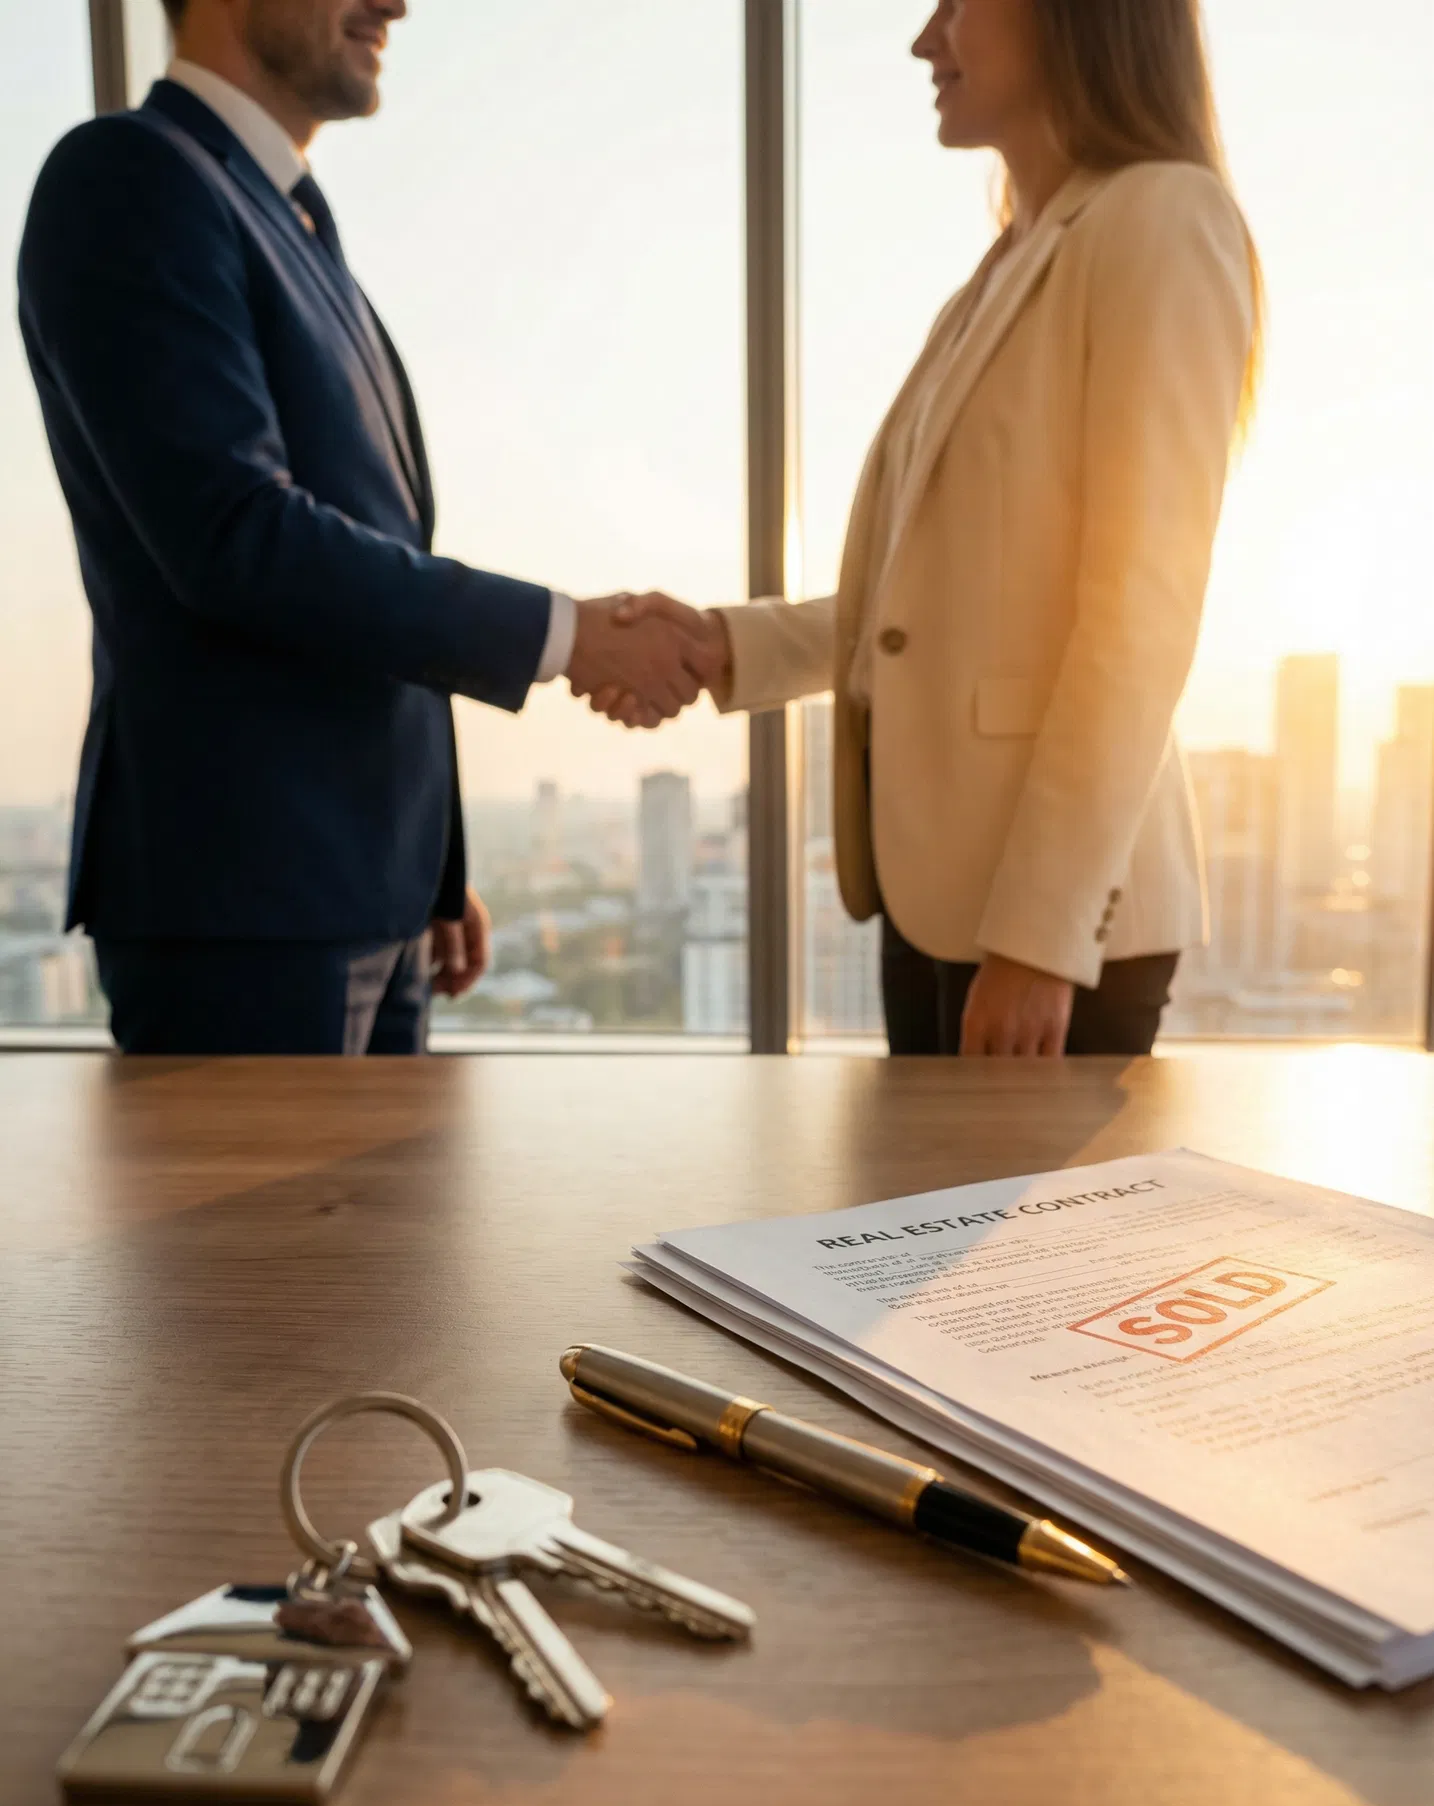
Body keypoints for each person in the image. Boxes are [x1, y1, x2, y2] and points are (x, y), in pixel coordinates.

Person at [18, 0, 717, 1056]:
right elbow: (240, 537)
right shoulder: (130, 177)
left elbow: (376, 557)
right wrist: (572, 636)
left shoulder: (294, 218)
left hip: (365, 905)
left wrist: (425, 869)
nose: (396, 1)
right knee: (257, 1232)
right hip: (241, 910)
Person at [606, 0, 1260, 1059]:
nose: (926, 39)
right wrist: (727, 644)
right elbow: (932, 601)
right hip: (944, 892)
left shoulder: (1162, 219)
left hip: (1046, 921)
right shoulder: (1011, 262)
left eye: (958, 3)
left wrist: (1042, 941)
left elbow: (1143, 610)